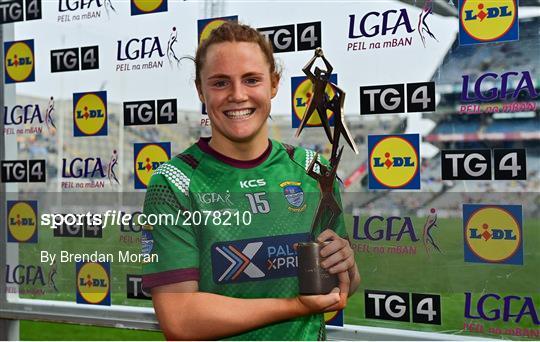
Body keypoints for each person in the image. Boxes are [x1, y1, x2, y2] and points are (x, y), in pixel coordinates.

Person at [141, 22, 361, 340]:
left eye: (251, 79)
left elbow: (338, 288)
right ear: (200, 90)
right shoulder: (174, 183)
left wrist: (347, 268)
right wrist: (295, 306)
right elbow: (179, 320)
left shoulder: (314, 170)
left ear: (274, 84)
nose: (238, 95)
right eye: (220, 83)